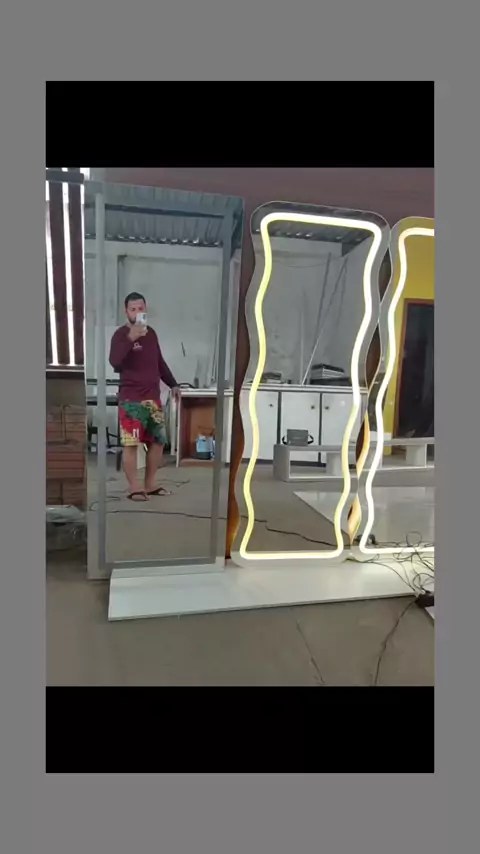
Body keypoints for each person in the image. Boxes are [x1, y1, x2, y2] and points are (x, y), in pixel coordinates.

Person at [109, 292, 180, 501]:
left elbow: (159, 362)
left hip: (153, 397)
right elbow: (114, 361)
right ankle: (134, 487)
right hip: (131, 399)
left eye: (140, 308)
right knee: (131, 443)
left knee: (158, 442)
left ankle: (150, 484)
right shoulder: (120, 335)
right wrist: (131, 338)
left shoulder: (152, 334)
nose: (137, 312)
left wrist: (173, 384)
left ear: (145, 309)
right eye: (133, 309)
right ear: (126, 312)